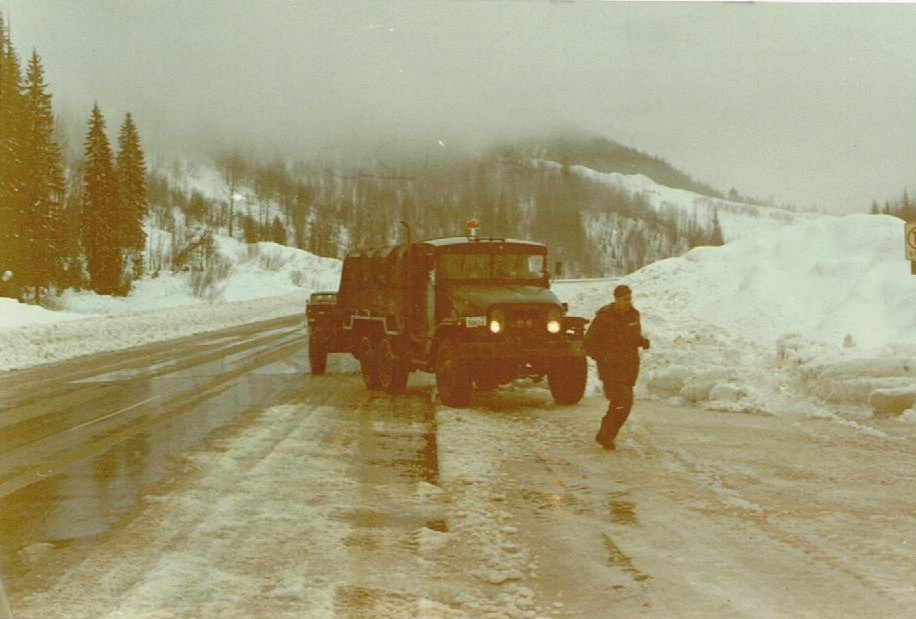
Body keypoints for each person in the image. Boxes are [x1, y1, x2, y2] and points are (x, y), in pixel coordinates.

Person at [584, 284, 650, 450]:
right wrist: (603, 357)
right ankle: (607, 434)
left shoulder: (633, 315)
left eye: (630, 299)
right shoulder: (604, 317)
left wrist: (641, 341)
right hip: (610, 367)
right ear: (616, 299)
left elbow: (632, 336)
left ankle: (605, 433)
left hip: (629, 366)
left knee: (620, 402)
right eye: (624, 299)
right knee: (624, 401)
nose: (628, 302)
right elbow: (589, 342)